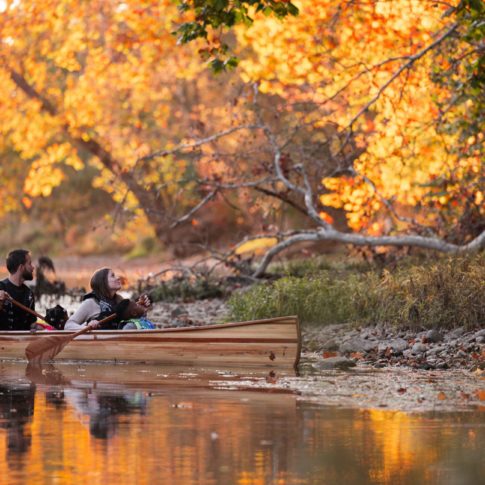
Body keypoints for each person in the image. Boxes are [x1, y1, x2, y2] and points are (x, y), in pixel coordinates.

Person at [64, 267, 153, 331]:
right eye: (113, 276)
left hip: (119, 343)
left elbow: (133, 323)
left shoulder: (120, 300)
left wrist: (142, 311)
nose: (118, 278)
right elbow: (68, 325)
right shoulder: (90, 303)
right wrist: (87, 327)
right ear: (103, 282)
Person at [0, 249, 37, 331]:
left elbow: (32, 325)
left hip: (23, 341)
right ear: (21, 267)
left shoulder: (29, 294)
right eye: (29, 263)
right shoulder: (1, 287)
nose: (33, 267)